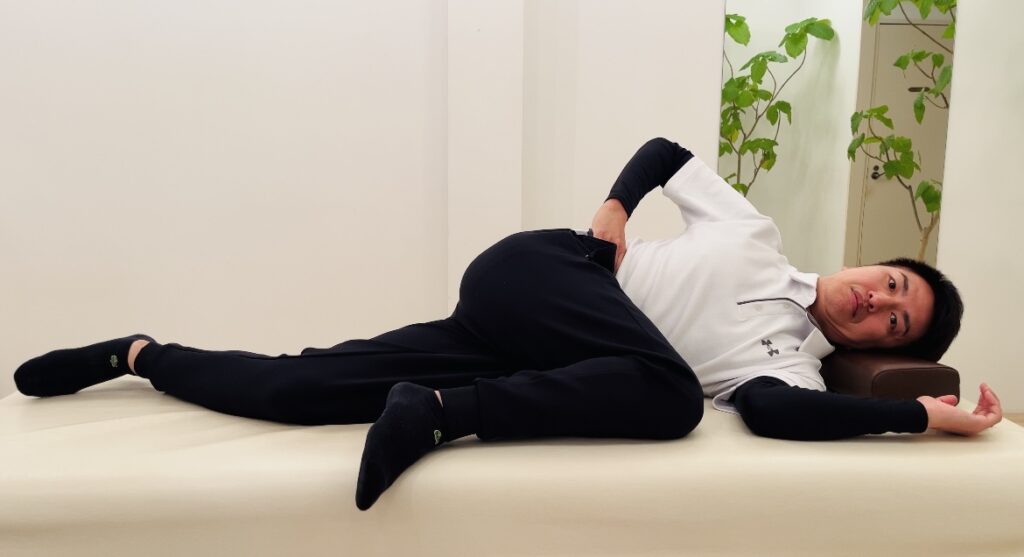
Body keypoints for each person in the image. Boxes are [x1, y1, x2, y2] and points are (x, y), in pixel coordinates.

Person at [13, 138, 1002, 511]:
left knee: (296, 386)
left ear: (882, 348)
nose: (875, 302)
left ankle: (133, 352)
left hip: (514, 349)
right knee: (669, 396)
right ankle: (445, 412)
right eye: (888, 282)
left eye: (893, 323)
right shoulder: (755, 233)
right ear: (871, 261)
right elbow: (665, 152)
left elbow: (780, 418)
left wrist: (920, 416)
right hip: (542, 274)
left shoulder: (786, 371)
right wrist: (615, 209)